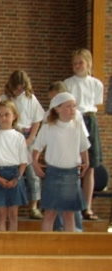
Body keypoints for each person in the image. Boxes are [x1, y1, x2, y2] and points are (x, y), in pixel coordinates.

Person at [32, 92, 90, 232]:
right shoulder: (49, 126)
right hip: (53, 173)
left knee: (68, 213)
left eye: (74, 106)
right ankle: (45, 246)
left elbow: (83, 146)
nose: (72, 109)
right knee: (50, 213)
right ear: (58, 109)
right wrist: (35, 162)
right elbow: (37, 147)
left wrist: (86, 162)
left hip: (71, 174)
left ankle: (68, 247)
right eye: (68, 106)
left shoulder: (77, 125)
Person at [64, 49, 104, 221]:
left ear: (88, 63)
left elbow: (95, 104)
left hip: (90, 120)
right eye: (74, 63)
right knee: (72, 164)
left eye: (80, 62)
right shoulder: (68, 83)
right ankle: (70, 205)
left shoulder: (96, 84)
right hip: (74, 121)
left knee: (90, 165)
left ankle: (87, 207)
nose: (77, 66)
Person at [2, 70, 44, 220]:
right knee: (12, 171)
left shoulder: (30, 98)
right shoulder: (5, 98)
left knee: (32, 173)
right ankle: (10, 206)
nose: (20, 91)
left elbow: (37, 120)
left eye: (22, 88)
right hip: (11, 135)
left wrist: (30, 139)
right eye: (17, 88)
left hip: (27, 136)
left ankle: (34, 207)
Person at [46, 82, 88, 232]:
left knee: (70, 210)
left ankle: (73, 235)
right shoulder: (49, 120)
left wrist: (85, 160)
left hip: (71, 170)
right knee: (51, 210)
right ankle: (50, 240)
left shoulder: (77, 119)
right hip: (55, 169)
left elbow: (83, 143)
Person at [0, 100, 29, 231]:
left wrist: (16, 179)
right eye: (0, 114)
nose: (3, 117)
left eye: (7, 114)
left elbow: (24, 161)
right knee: (1, 215)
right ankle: (1, 244)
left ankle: (12, 244)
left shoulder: (19, 137)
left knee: (13, 215)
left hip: (15, 174)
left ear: (14, 116)